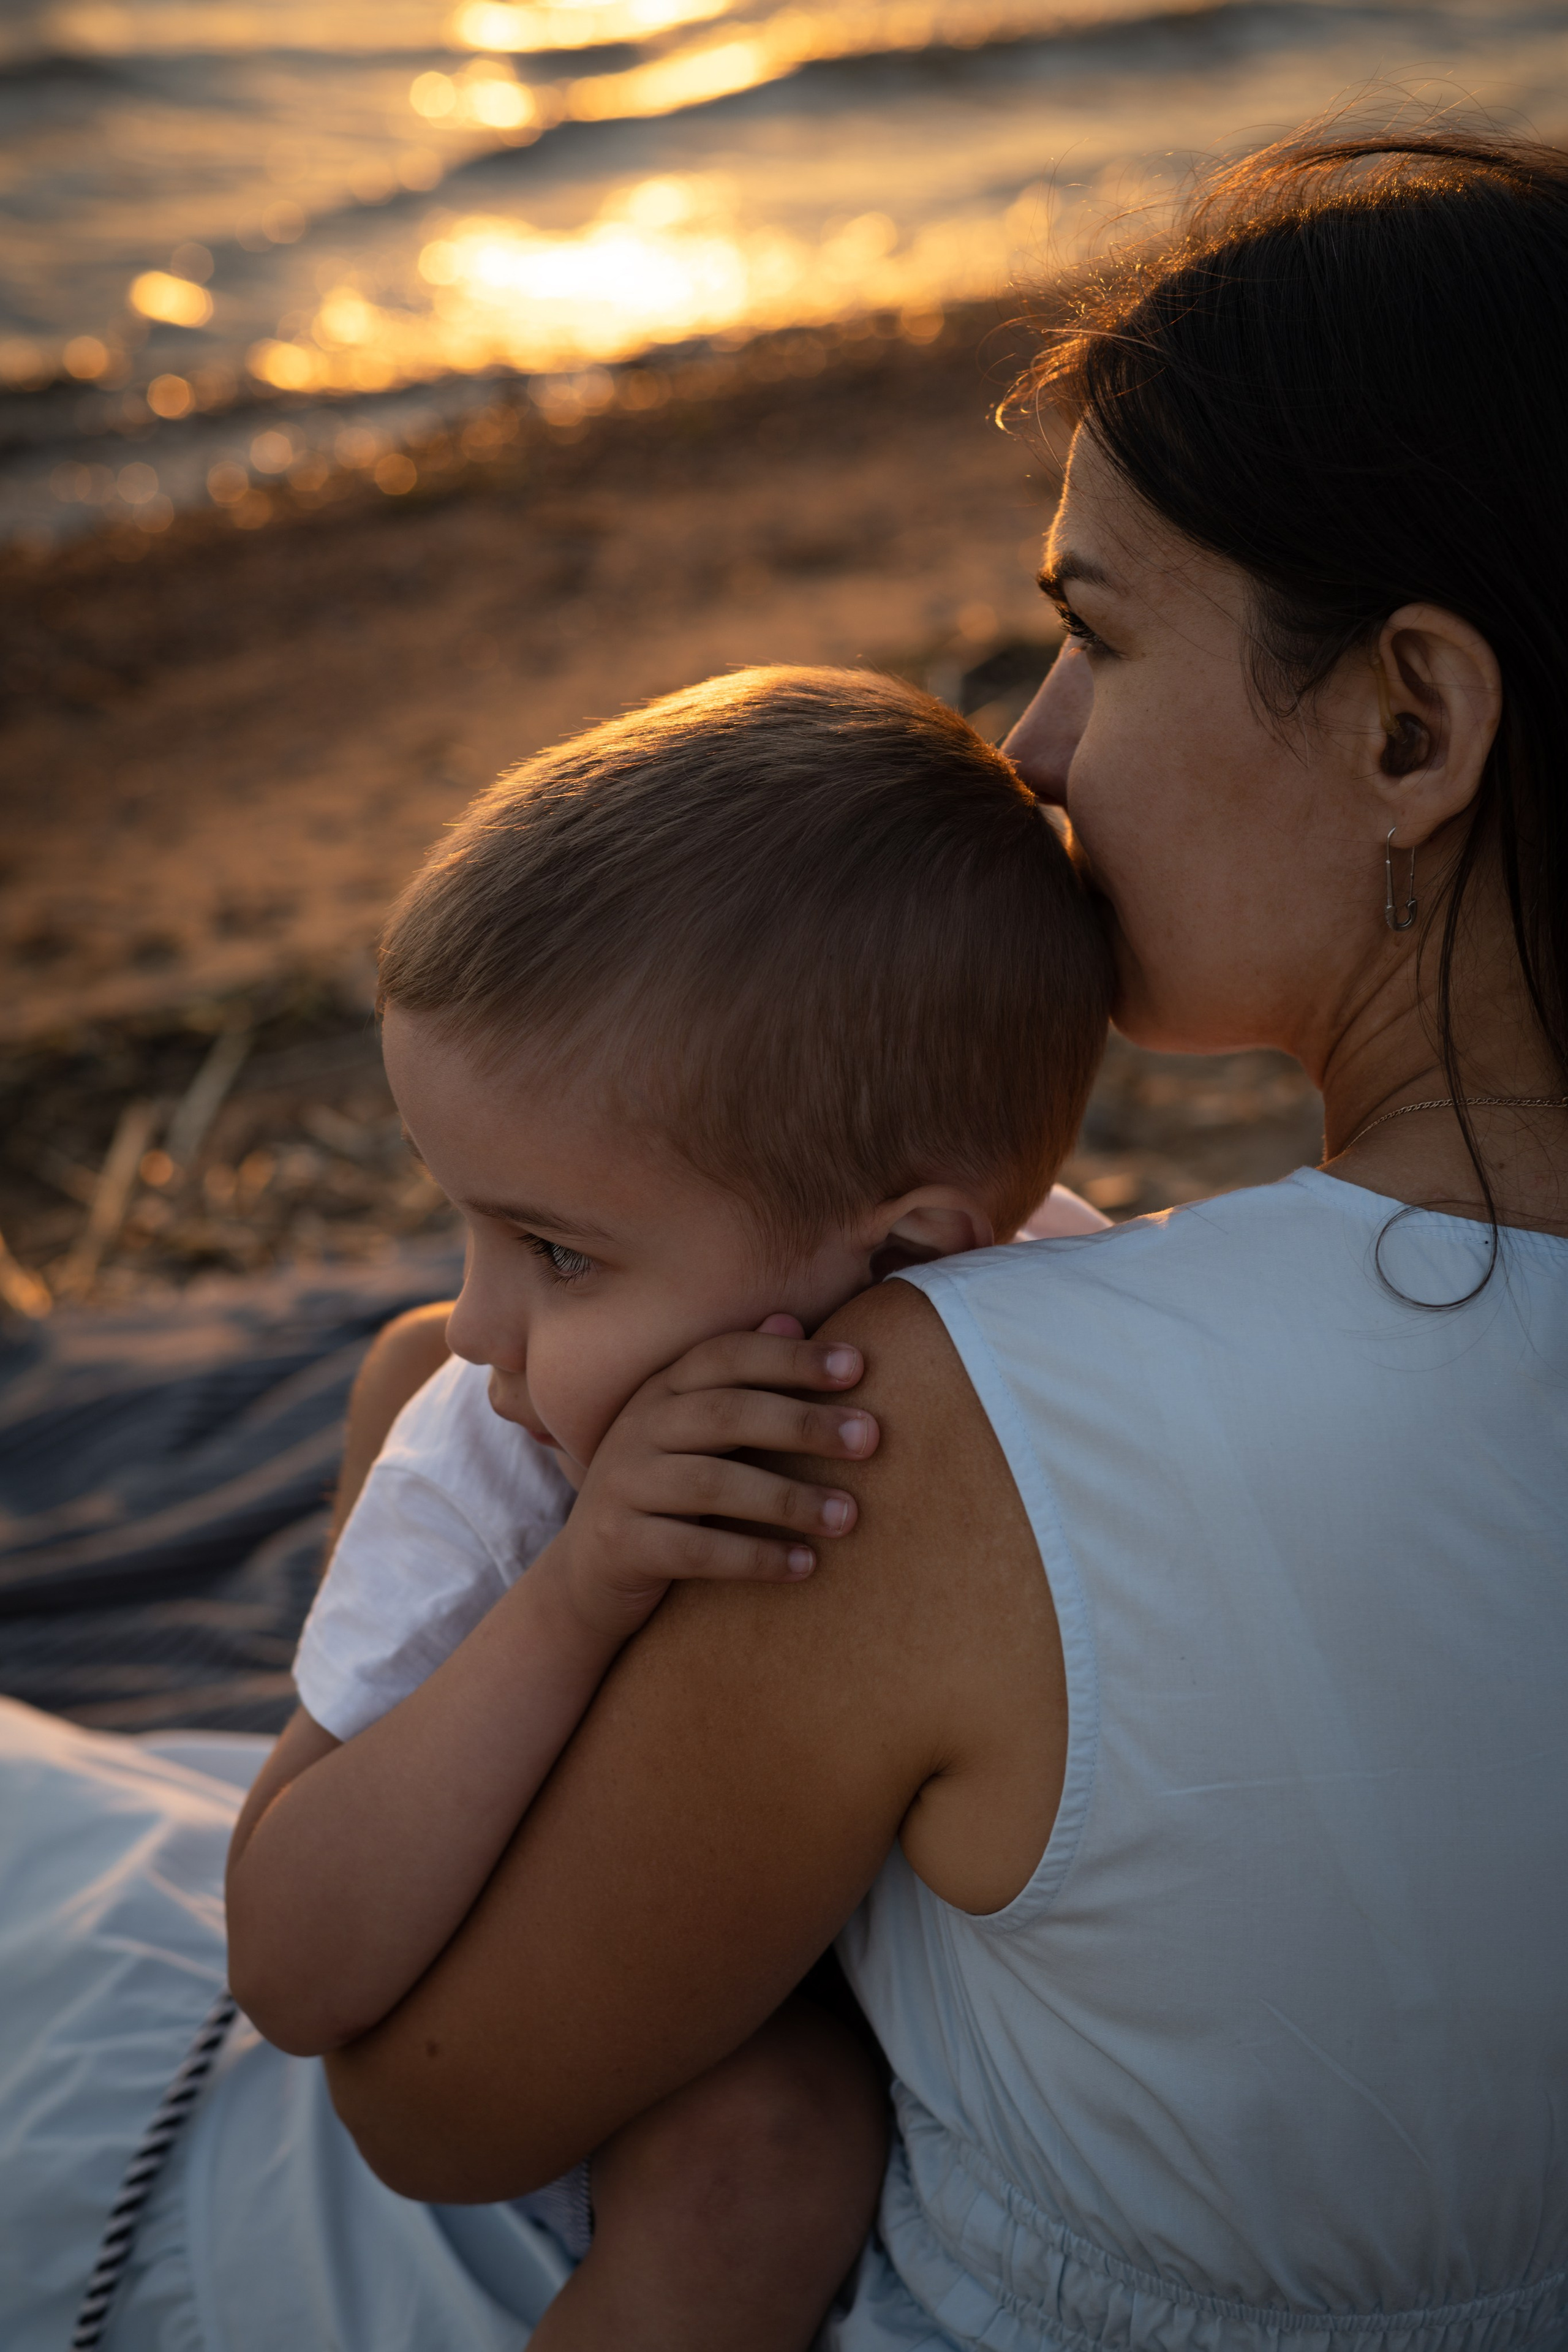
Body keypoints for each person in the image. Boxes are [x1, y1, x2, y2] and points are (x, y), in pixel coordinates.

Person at [2, 124, 1566, 2352]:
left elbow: (435, 2105)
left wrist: (410, 1488)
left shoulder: (934, 1431)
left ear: (1413, 720)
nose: (1031, 749)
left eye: (1096, 639)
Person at [222, 665, 1111, 2348]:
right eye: (474, 1228)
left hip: (919, 1972)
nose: (486, 1327)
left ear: (927, 1248)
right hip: (589, 1996)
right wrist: (573, 1596)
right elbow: (289, 1961)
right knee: (763, 2165)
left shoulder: (1070, 1315)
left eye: (556, 1253)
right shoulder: (501, 1457)